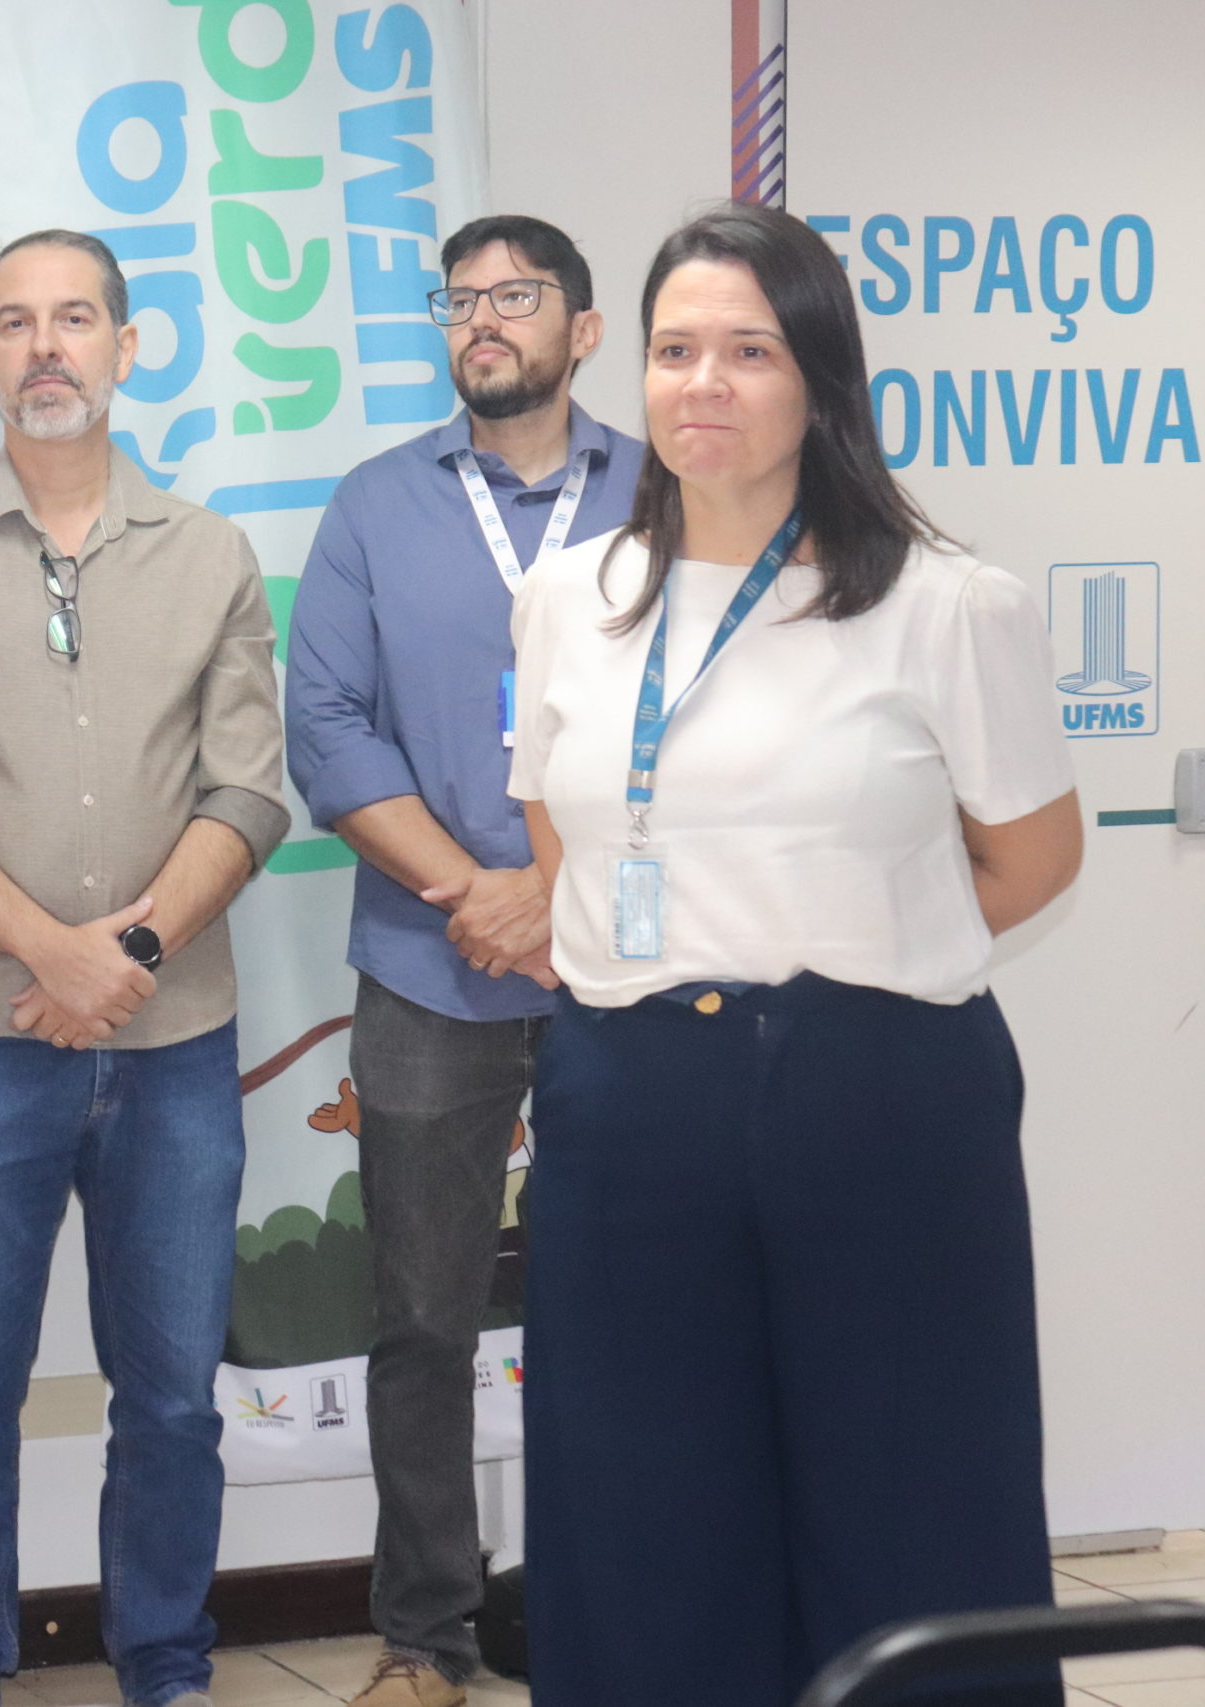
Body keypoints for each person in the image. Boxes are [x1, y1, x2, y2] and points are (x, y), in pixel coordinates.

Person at [506, 202, 1081, 1706]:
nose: (703, 382)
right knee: (639, 1504)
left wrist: (842, 938)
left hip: (876, 1088)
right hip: (630, 1095)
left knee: (911, 1497)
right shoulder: (567, 598)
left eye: (750, 352)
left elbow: (1033, 860)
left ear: (822, 380)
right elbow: (564, 843)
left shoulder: (949, 603)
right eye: (674, 349)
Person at [0, 229, 289, 1707]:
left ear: (127, 345)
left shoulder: (212, 554)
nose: (46, 347)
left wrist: (133, 953)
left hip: (176, 1047)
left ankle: (165, 1665)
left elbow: (250, 791)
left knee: (171, 1399)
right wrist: (54, 952)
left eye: (76, 319)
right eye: (15, 322)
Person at [282, 214, 639, 1707]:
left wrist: (559, 895)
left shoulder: (671, 493)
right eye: (461, 298)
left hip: (630, 966)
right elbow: (326, 728)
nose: (484, 318)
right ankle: (424, 1639)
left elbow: (715, 714)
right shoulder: (376, 504)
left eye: (518, 295)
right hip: (431, 965)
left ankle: (635, 1613)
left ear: (585, 329)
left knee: (636, 1307)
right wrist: (476, 893)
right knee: (422, 1320)